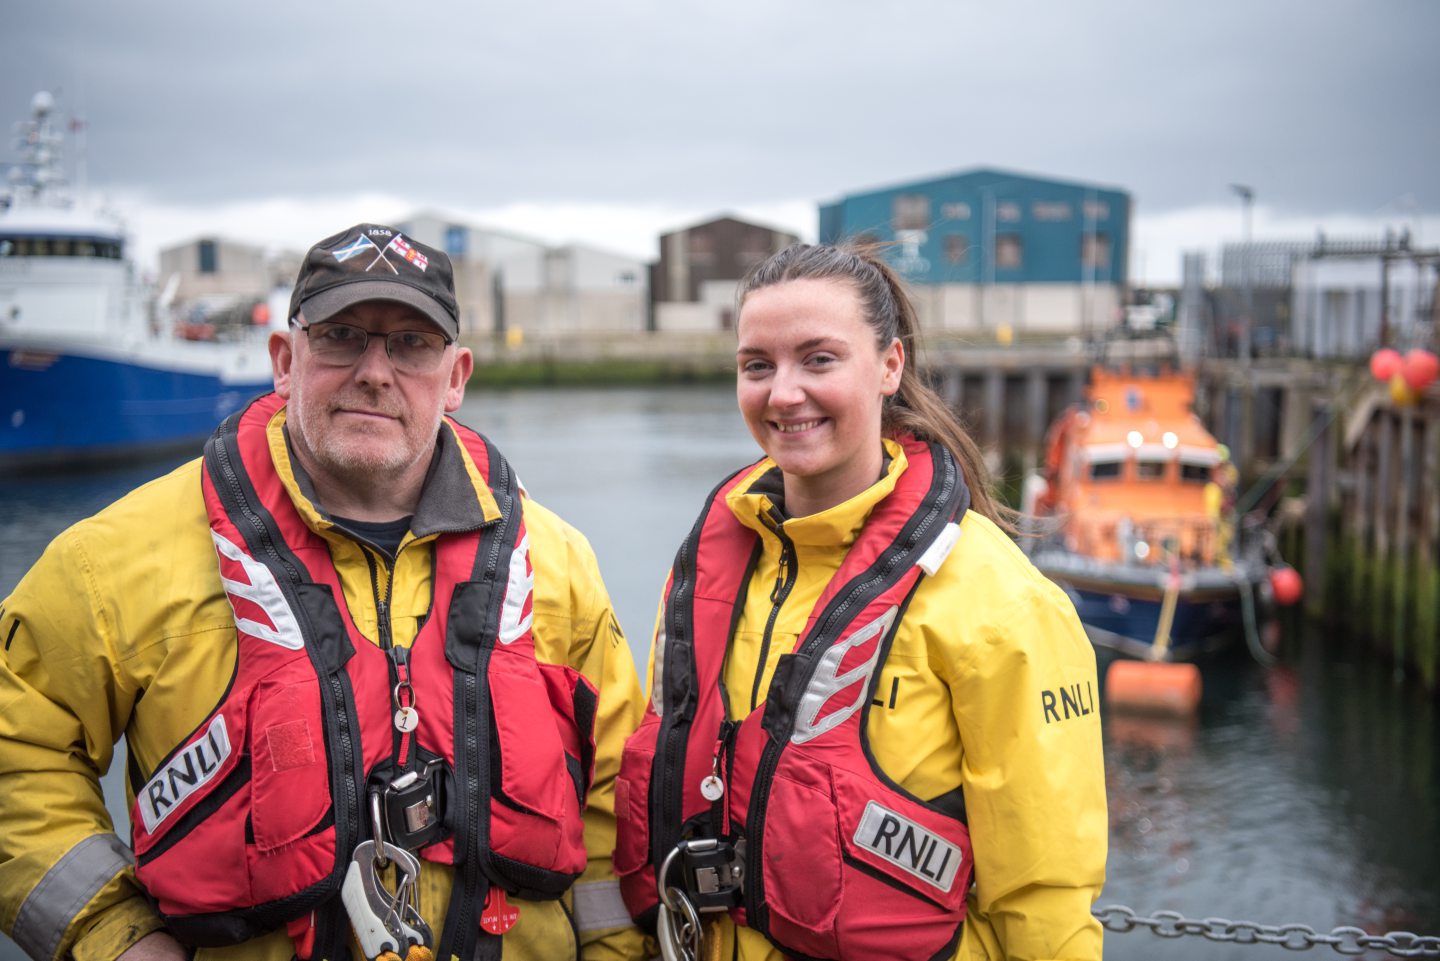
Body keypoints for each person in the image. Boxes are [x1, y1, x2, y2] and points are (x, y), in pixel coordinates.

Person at [0, 224, 644, 961]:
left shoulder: (558, 563)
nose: (376, 370)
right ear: (284, 359)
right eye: (342, 336)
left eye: (411, 344)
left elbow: (613, 797)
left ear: (456, 376)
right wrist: (114, 936)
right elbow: (18, 749)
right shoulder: (113, 560)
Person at [612, 244, 1107, 961]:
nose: (783, 392)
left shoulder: (1001, 600)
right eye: (758, 365)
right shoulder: (707, 567)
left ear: (890, 366)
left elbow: (1045, 899)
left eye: (819, 359)